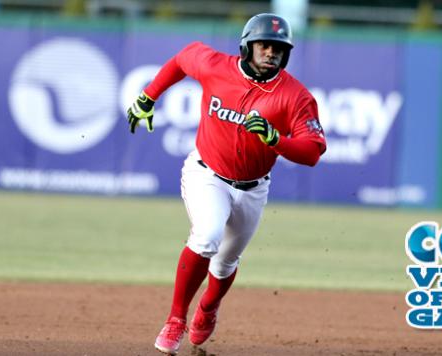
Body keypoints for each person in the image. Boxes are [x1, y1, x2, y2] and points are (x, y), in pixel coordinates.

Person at [126, 13, 327, 355]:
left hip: (253, 188)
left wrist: (275, 138)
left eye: (279, 48)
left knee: (225, 263)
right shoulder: (217, 66)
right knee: (206, 236)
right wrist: (149, 95)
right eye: (264, 45)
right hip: (207, 174)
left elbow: (312, 151)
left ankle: (208, 308)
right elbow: (183, 58)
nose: (271, 52)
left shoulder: (295, 96)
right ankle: (176, 319)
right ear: (248, 45)